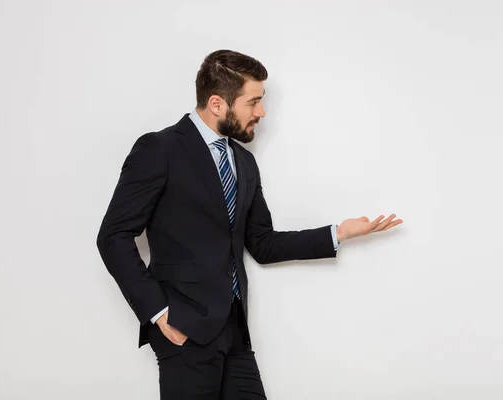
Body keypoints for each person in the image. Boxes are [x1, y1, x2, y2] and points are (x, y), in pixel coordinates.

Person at [96, 49, 403, 400]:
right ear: (217, 104)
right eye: (253, 102)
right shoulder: (159, 149)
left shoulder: (243, 161)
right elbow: (113, 236)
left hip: (235, 331)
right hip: (184, 329)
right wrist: (160, 313)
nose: (261, 112)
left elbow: (262, 243)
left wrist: (338, 233)